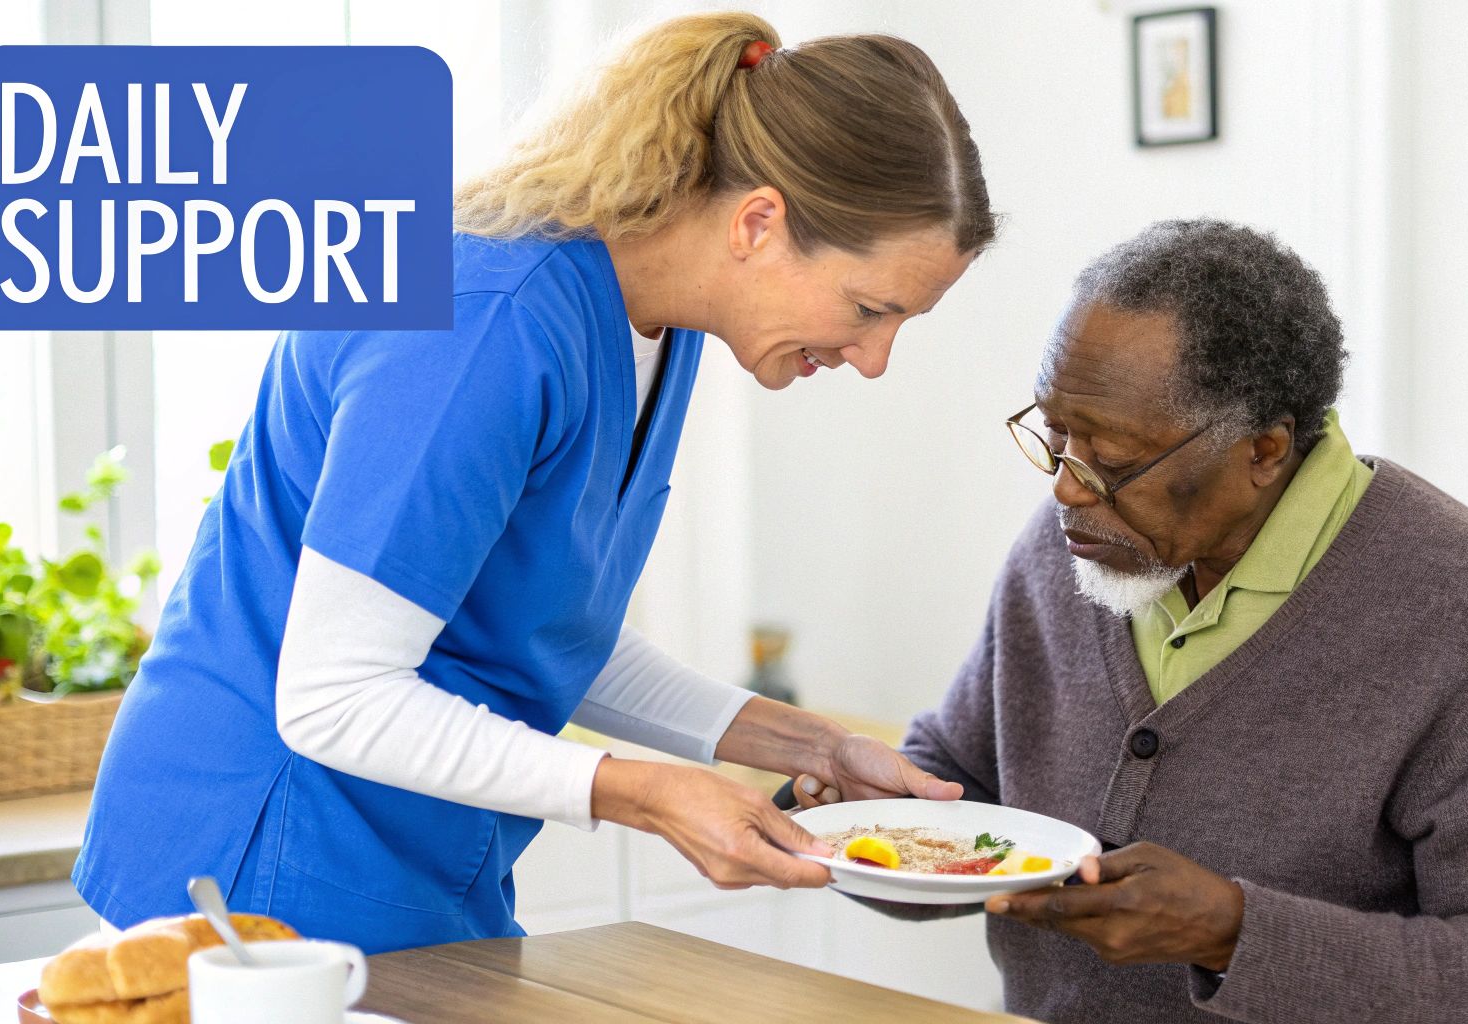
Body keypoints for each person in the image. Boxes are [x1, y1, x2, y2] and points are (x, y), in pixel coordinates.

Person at [74, 11, 992, 954]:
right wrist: (640, 794)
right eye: (870, 308)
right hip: (253, 861)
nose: (876, 358)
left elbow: (543, 626)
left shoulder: (654, 328)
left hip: (406, 855)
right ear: (759, 221)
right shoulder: (482, 325)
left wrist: (810, 746)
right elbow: (334, 695)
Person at [797, 220, 1468, 1023]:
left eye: (1112, 461)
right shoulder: (1064, 551)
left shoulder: (1462, 606)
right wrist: (855, 817)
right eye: (1054, 435)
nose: (1066, 490)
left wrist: (1232, 933)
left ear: (1263, 451)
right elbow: (966, 780)